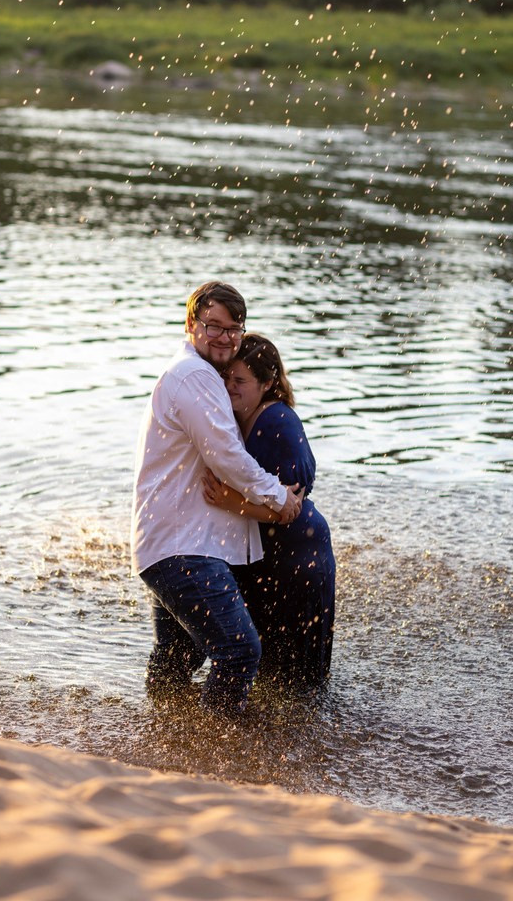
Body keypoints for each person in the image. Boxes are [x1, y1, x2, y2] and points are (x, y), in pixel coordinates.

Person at [131, 282, 302, 715]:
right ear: (191, 324)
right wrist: (278, 496)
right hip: (183, 548)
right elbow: (227, 457)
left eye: (235, 329)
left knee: (177, 661)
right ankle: (215, 756)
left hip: (169, 543)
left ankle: (161, 742)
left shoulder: (191, 373)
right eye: (214, 326)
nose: (226, 337)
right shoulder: (196, 376)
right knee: (239, 651)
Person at [202, 334, 335, 687]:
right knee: (269, 675)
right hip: (272, 554)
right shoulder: (237, 418)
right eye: (225, 378)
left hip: (298, 559)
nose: (229, 387)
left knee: (298, 682)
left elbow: (292, 501)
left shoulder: (277, 420)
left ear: (267, 383)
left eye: (239, 380)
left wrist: (230, 501)